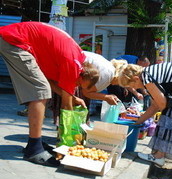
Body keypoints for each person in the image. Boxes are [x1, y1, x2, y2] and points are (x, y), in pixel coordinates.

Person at [0, 22, 99, 166]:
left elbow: (50, 82)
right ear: (81, 76)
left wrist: (74, 98)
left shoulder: (75, 61)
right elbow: (66, 106)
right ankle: (34, 149)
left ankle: (35, 143)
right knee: (41, 92)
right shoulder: (73, 64)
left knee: (43, 88)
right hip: (14, 40)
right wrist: (70, 135)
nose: (75, 87)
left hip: (13, 37)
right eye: (78, 85)